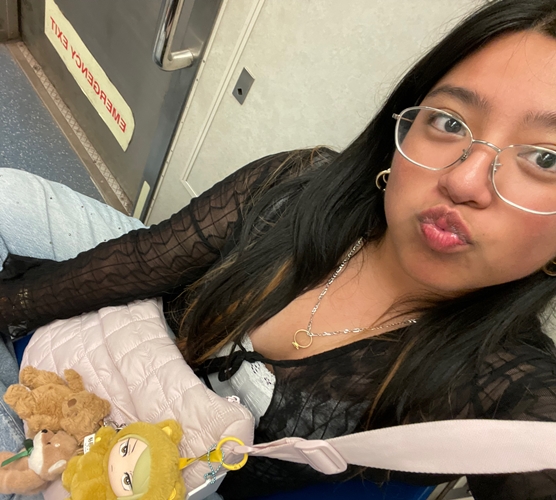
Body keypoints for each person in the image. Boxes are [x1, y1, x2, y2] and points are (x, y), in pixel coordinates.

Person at [2, 0, 556, 498]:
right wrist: (14, 309)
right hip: (130, 336)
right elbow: (144, 261)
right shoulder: (297, 185)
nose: (463, 181)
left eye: (545, 159)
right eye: (450, 121)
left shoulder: (503, 388)